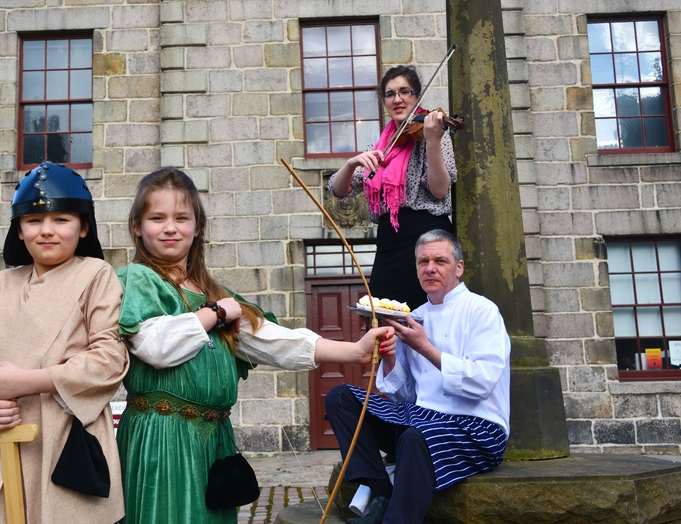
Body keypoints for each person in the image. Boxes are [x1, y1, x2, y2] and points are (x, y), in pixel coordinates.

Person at [116, 167, 396, 524]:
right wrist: (216, 314)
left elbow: (271, 340)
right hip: (162, 440)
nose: (170, 227)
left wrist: (355, 352)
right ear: (137, 227)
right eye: (157, 218)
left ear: (197, 227)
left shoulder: (212, 292)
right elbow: (156, 346)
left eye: (181, 218)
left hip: (213, 443)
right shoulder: (137, 280)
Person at [0, 162, 129, 523]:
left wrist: (28, 381)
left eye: (61, 219)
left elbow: (110, 358)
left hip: (68, 439)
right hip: (9, 437)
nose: (46, 230)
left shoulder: (97, 275)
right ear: (19, 230)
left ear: (84, 227)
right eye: (33, 220)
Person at [324, 229, 511, 524]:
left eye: (440, 261)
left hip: (478, 427)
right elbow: (406, 394)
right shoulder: (414, 316)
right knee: (340, 398)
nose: (430, 268)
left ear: (459, 267)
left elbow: (482, 382)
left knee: (414, 435)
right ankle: (381, 490)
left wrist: (424, 346)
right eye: (423, 262)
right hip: (421, 419)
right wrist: (388, 354)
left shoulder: (482, 311)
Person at [327, 65, 458, 309]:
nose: (397, 99)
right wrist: (351, 163)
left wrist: (433, 142)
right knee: (383, 313)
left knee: (424, 315)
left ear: (417, 96)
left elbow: (439, 190)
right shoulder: (381, 147)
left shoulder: (434, 135)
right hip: (389, 243)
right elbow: (337, 190)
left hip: (427, 238)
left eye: (404, 92)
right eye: (390, 94)